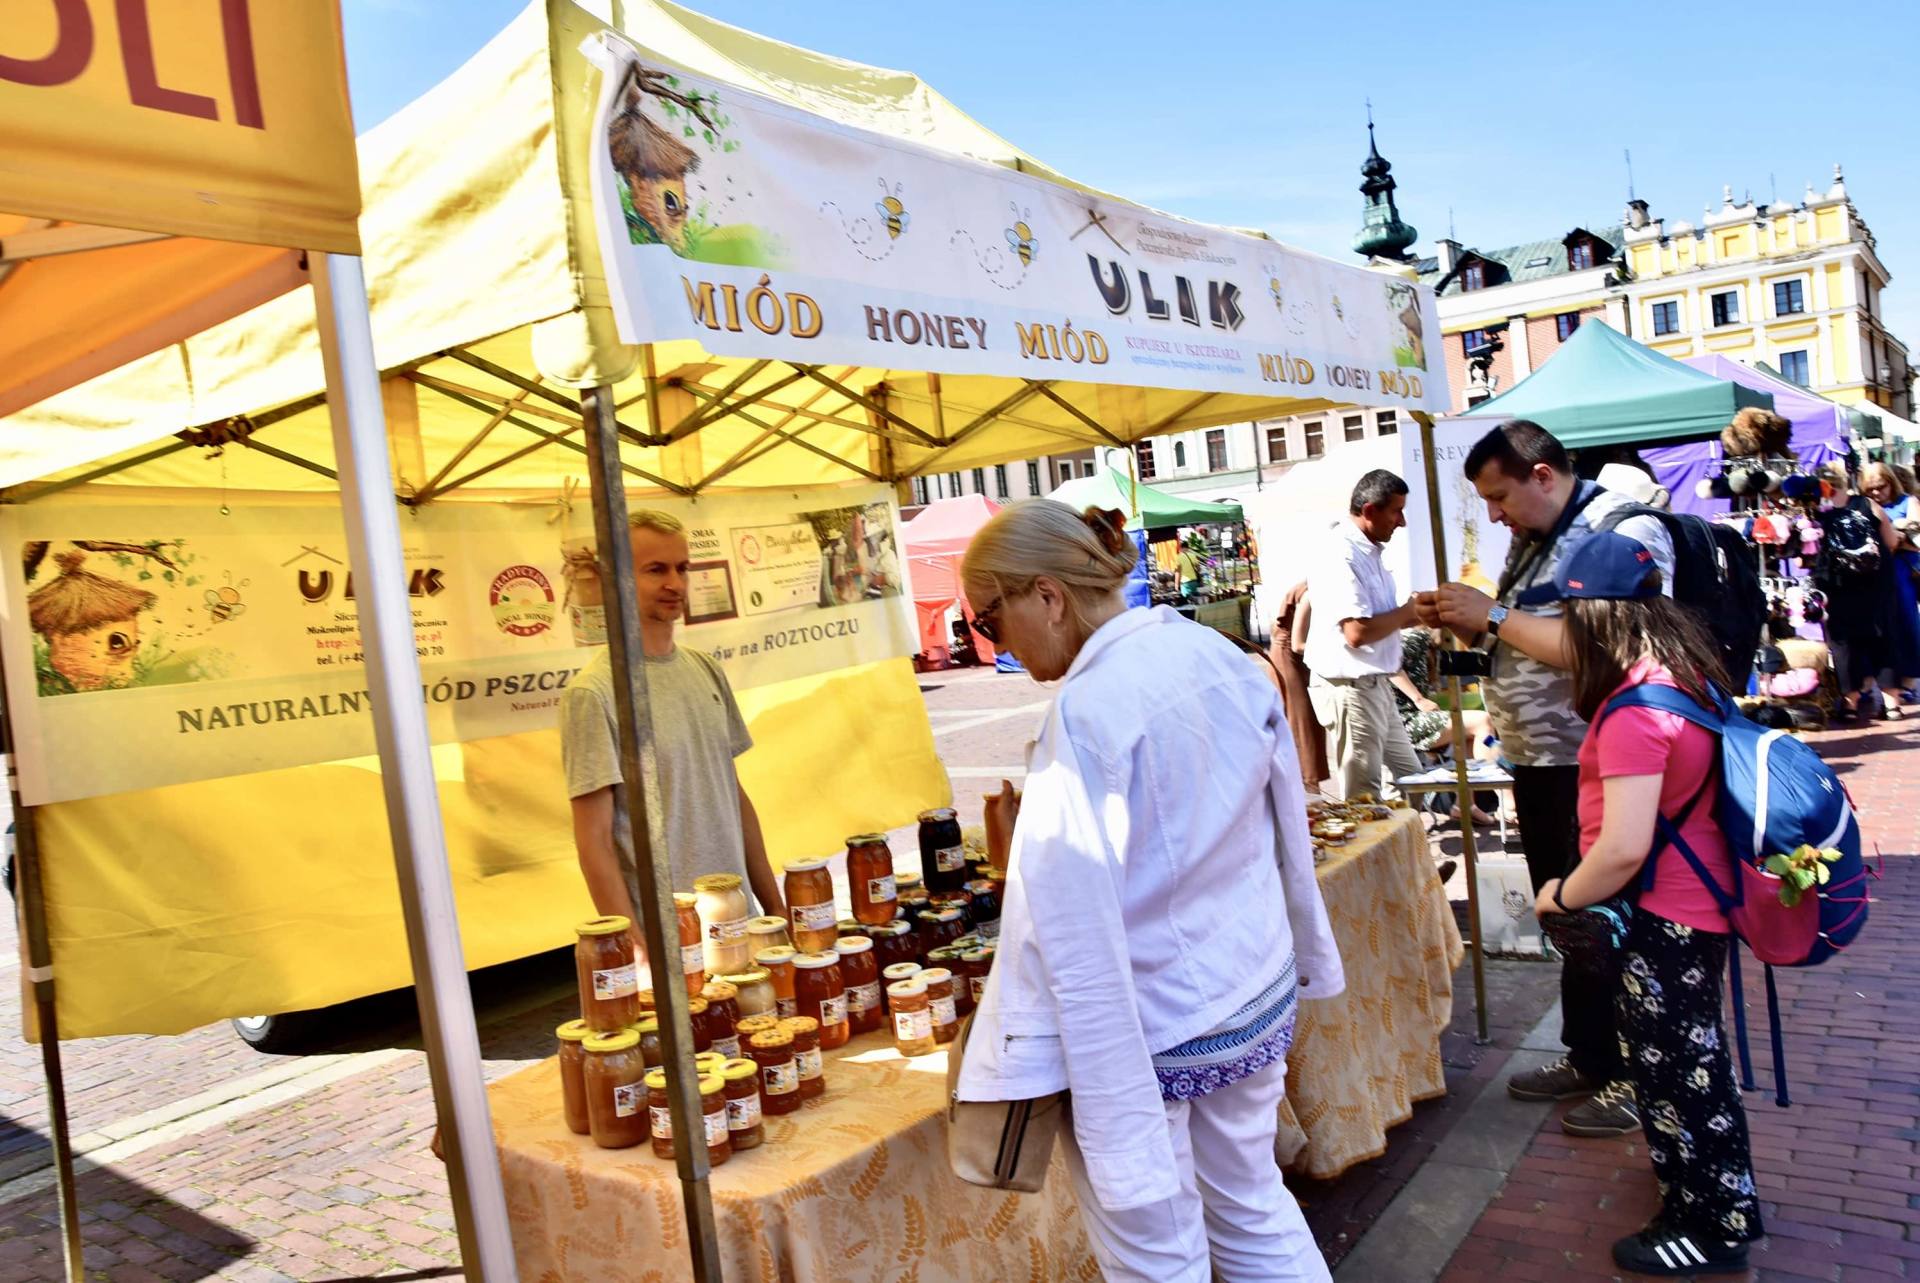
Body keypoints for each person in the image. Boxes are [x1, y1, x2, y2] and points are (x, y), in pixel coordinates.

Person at [956, 500, 1342, 1282]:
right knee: (1251, 1203)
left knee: (1156, 1251)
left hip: (1157, 1023)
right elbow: (1281, 829)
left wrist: (1088, 1085)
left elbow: (1068, 928)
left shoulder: (1089, 710)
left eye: (991, 619)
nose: (992, 642)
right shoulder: (1214, 653)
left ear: (1047, 595)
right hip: (1246, 986)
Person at [1418, 419, 1675, 1139]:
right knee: (1571, 919)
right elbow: (1528, 637)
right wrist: (1473, 633)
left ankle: (1637, 1072)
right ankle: (1592, 1053)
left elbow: (1616, 647)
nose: (1493, 514)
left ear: (1541, 474)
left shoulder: (1617, 533)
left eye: (1500, 497)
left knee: (1609, 917)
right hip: (1538, 760)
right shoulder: (1533, 538)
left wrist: (1492, 616)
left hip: (1598, 762)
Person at [1533, 530, 1763, 1276]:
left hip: (1666, 917)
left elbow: (1624, 848)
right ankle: (1713, 1202)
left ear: (1593, 616)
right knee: (1694, 1062)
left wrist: (1559, 893)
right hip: (1702, 907)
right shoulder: (1688, 675)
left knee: (1677, 1073)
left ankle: (1708, 1225)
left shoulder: (1636, 710)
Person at [560, 510, 785, 951]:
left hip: (743, 926)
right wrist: (639, 953)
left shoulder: (705, 670)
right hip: (671, 944)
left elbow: (733, 797)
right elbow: (594, 843)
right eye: (655, 570)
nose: (675, 584)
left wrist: (775, 913)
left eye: (682, 568)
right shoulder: (595, 693)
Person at [1303, 469, 1424, 802]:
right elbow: (1356, 633)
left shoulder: (1366, 551)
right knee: (1363, 796)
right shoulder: (1340, 553)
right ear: (1370, 510)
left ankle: (1402, 850)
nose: (1401, 522)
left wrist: (1414, 615)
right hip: (1352, 688)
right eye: (1396, 511)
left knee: (1413, 779)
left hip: (1373, 684)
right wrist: (1408, 612)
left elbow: (1379, 623)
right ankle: (1384, 853)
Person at [1813, 462, 1913, 719]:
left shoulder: (1816, 514)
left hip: (1838, 588)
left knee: (1845, 644)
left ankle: (1850, 703)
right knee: (1884, 639)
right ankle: (1892, 704)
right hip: (1877, 585)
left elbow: (1808, 557)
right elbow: (1890, 542)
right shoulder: (1869, 505)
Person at [1392, 627, 1498, 825]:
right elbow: (1390, 666)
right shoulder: (1415, 636)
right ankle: (1506, 798)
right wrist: (1418, 698)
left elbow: (1460, 663)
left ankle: (1465, 803)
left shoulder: (1428, 644)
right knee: (1483, 722)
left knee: (1480, 735)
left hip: (1409, 718)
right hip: (1403, 720)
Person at [1857, 461, 1920, 709]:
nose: (1875, 493)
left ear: (1891, 482)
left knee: (1906, 623)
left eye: (1880, 487)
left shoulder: (1909, 502)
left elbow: (1915, 539)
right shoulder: (1864, 505)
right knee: (1877, 629)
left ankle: (1908, 681)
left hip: (1902, 572)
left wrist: (1894, 538)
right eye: (1870, 488)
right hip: (1873, 575)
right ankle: (1877, 681)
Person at [1269, 581, 1330, 790]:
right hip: (1289, 661)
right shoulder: (1310, 594)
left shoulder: (1314, 588)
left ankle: (1309, 792)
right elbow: (1298, 643)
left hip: (1298, 661)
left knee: (1307, 725)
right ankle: (1309, 793)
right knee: (1302, 725)